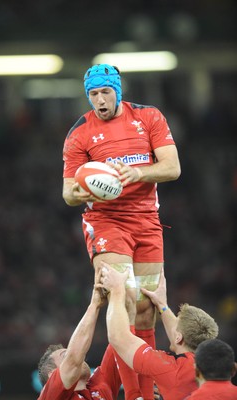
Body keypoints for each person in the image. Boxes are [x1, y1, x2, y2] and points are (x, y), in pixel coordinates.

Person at [62, 63, 181, 399]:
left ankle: (145, 392)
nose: (99, 100)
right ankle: (133, 394)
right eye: (93, 94)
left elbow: (172, 168)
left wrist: (135, 174)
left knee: (147, 306)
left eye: (105, 92)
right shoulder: (80, 132)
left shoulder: (148, 117)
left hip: (146, 222)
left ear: (118, 90)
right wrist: (82, 192)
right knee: (123, 296)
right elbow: (68, 192)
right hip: (106, 223)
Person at [98, 262, 219, 400]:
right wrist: (162, 305)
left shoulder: (173, 368)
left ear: (179, 337)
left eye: (176, 324)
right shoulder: (218, 366)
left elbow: (117, 337)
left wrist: (117, 290)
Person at [37, 270, 142, 400]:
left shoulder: (100, 385)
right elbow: (74, 359)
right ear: (52, 374)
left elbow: (122, 337)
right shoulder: (50, 396)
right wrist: (94, 304)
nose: (80, 356)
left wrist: (121, 290)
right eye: (65, 355)